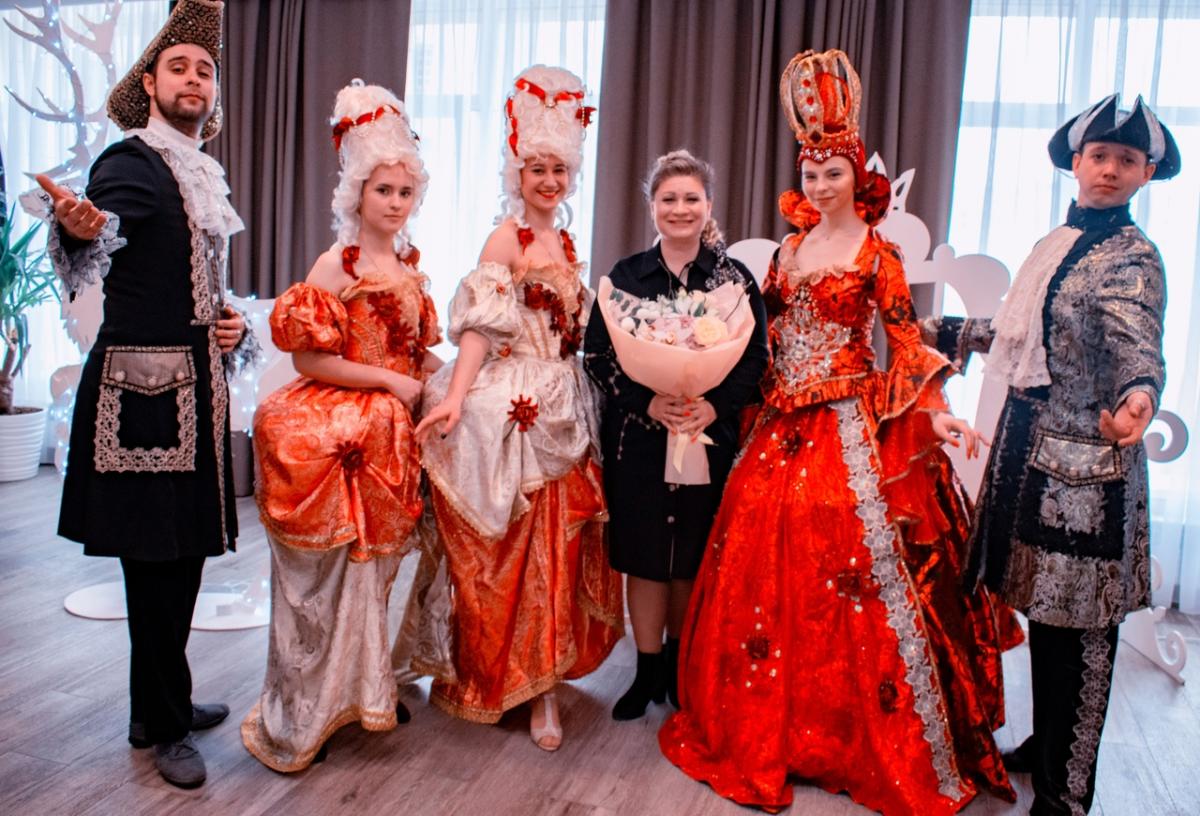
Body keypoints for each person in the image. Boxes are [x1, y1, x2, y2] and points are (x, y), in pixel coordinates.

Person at [658, 49, 1016, 814]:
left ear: (859, 176)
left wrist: (934, 412)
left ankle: (848, 731)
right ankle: (771, 726)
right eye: (811, 173)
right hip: (777, 422)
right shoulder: (787, 250)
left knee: (849, 559)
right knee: (761, 552)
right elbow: (755, 338)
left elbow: (906, 342)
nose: (820, 185)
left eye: (833, 172)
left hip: (847, 423)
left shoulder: (878, 254)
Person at [924, 94, 1178, 815]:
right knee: (1045, 616)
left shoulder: (1134, 257)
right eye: (1099, 156)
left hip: (1089, 476)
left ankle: (1068, 791)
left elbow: (1138, 346)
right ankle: (1048, 747)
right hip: (1031, 461)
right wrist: (947, 331)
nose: (1109, 169)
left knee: (1084, 633)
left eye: (1126, 159)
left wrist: (1139, 399)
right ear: (1076, 161)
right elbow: (1025, 331)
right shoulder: (1056, 242)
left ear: (1147, 172)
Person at [24, 0, 251, 789]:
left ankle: (157, 707)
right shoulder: (131, 161)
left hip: (189, 385)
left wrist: (228, 324)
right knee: (155, 563)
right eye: (179, 67)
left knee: (181, 555)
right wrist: (78, 226)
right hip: (144, 396)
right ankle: (165, 727)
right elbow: (99, 225)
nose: (194, 79)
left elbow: (185, 281)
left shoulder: (194, 170)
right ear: (149, 83)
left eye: (205, 71)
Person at [414, 65, 623, 751]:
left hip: (565, 405)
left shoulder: (565, 242)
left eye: (559, 170)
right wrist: (454, 397)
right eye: (538, 170)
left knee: (557, 553)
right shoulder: (504, 239)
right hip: (515, 407)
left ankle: (546, 684)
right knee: (515, 552)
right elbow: (482, 328)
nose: (549, 181)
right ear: (517, 173)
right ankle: (519, 682)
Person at [240, 81, 440, 772]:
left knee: (377, 573)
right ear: (357, 192)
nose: (394, 202)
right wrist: (387, 381)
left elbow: (416, 350)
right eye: (383, 190)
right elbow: (308, 356)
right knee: (332, 578)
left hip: (390, 437)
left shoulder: (408, 265)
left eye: (404, 191)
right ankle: (308, 712)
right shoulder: (336, 263)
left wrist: (454, 373)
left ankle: (364, 690)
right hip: (340, 434)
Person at [583, 150, 769, 720]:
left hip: (707, 435)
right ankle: (645, 673)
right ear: (652, 206)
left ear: (709, 205)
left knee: (690, 555)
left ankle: (679, 665)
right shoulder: (625, 276)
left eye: (691, 198)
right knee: (645, 558)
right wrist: (649, 401)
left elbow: (755, 357)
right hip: (640, 436)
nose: (680, 209)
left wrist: (713, 407)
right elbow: (598, 356)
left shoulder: (733, 279)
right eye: (669, 199)